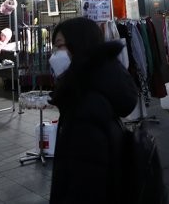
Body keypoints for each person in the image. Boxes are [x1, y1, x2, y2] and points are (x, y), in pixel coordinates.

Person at [48, 16, 140, 203]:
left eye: (60, 46)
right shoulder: (95, 89)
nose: (55, 54)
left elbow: (86, 180)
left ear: (79, 46)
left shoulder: (85, 105)